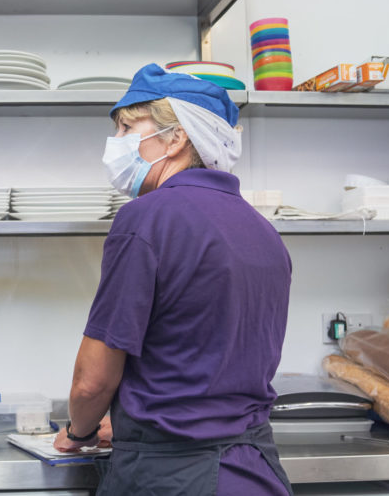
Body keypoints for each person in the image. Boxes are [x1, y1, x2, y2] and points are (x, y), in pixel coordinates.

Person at [53, 64, 294, 496]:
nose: (117, 143)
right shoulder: (264, 231)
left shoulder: (145, 220)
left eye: (128, 127)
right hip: (257, 472)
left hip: (173, 477)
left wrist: (80, 431)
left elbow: (93, 382)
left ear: (177, 137)